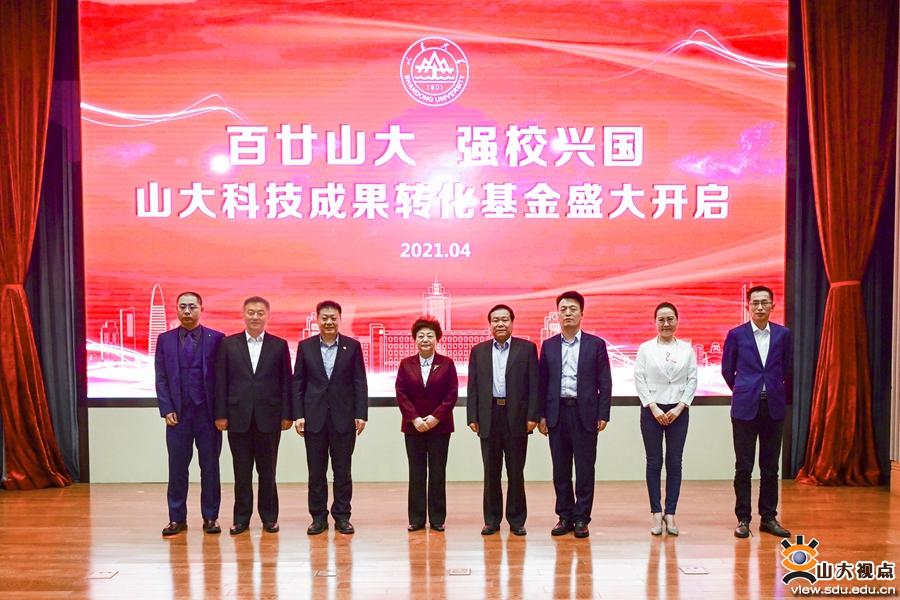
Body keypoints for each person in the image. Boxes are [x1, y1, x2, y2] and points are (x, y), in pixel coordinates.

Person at [214, 296, 292, 535]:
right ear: (244, 314)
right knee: (241, 471)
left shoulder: (279, 345)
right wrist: (220, 414)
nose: (255, 316)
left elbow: (286, 383)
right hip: (237, 417)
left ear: (267, 315)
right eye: (251, 312)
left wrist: (287, 414)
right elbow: (220, 381)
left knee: (268, 471)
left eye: (260, 313)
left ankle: (269, 518)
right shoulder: (228, 344)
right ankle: (241, 519)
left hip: (270, 418)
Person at [538, 291, 612, 539]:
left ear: (581, 313)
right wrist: (541, 415)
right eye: (563, 309)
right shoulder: (549, 346)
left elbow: (605, 382)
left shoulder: (596, 344)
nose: (567, 313)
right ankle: (564, 516)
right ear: (558, 314)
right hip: (557, 413)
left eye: (572, 309)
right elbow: (542, 383)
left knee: (585, 469)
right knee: (560, 469)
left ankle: (581, 518)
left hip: (585, 414)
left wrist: (603, 413)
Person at [722, 285, 792, 539]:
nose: (760, 307)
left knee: (770, 467)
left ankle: (769, 517)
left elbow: (788, 368)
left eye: (764, 302)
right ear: (748, 306)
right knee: (744, 466)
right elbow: (727, 370)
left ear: (773, 305)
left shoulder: (783, 334)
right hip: (745, 407)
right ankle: (743, 518)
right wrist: (744, 389)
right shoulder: (736, 335)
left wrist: (773, 390)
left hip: (773, 406)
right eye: (755, 303)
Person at [293, 300, 368, 535]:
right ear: (317, 319)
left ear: (340, 319)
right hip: (313, 418)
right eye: (324, 317)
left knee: (342, 471)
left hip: (343, 418)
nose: (328, 322)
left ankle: (342, 516)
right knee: (316, 472)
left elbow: (359, 382)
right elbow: (298, 383)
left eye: (333, 318)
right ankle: (318, 517)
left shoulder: (352, 346)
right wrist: (298, 415)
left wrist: (361, 414)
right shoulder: (305, 347)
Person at [155, 291, 225, 536]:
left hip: (208, 416)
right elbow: (161, 377)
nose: (187, 311)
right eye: (182, 306)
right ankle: (177, 518)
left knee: (210, 468)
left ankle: (210, 517)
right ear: (176, 309)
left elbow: (223, 380)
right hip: (178, 416)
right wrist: (167, 408)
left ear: (201, 309)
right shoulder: (165, 340)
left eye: (192, 307)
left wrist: (221, 413)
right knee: (177, 468)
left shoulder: (217, 339)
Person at [467, 304, 540, 536]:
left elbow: (534, 385)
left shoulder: (527, 349)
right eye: (495, 320)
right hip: (489, 416)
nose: (500, 324)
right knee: (491, 472)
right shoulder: (478, 351)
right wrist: (472, 416)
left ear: (512, 323)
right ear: (490, 325)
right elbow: (473, 387)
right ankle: (491, 520)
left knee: (516, 471)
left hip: (517, 417)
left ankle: (517, 520)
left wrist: (533, 416)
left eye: (505, 319)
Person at [633, 302, 697, 536]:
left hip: (678, 411)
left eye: (670, 319)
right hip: (652, 411)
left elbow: (692, 379)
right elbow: (639, 378)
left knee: (674, 462)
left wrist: (680, 407)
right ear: (655, 322)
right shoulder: (645, 349)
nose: (666, 323)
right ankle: (656, 513)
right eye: (661, 319)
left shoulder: (687, 349)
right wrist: (653, 407)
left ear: (677, 321)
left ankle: (670, 513)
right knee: (654, 462)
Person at [395, 316, 459, 532]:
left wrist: (435, 417)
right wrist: (414, 418)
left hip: (440, 427)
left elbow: (452, 394)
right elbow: (401, 393)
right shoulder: (406, 364)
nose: (425, 339)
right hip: (413, 427)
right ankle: (416, 518)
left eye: (429, 336)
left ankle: (438, 518)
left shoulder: (447, 363)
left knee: (438, 472)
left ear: (437, 339)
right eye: (421, 336)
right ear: (415, 339)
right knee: (416, 472)